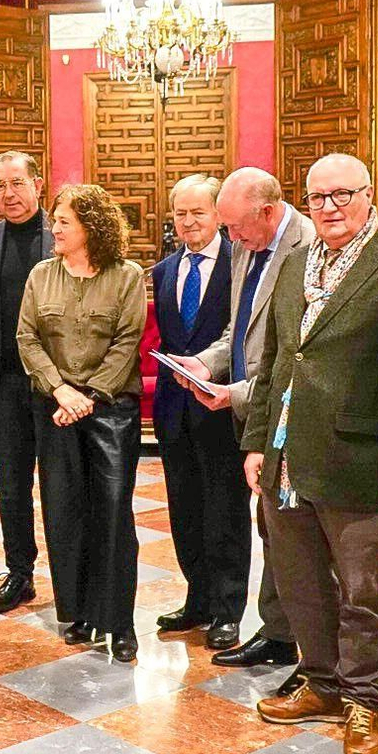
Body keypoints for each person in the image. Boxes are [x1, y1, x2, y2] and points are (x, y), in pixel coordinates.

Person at [240, 153, 378, 754]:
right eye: (318, 197)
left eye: (342, 195)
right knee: (298, 583)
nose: (329, 207)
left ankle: (364, 701)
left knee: (361, 591)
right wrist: (256, 442)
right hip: (289, 456)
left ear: (369, 195)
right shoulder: (293, 263)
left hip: (361, 456)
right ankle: (320, 682)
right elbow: (274, 362)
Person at [170, 167, 314, 676]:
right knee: (273, 528)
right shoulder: (246, 245)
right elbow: (240, 330)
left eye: (232, 226)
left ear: (268, 212)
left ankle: (308, 651)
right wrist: (205, 364)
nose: (227, 238)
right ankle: (277, 634)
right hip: (253, 407)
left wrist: (234, 394)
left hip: (293, 415)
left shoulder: (308, 245)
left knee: (300, 540)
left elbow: (299, 355)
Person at [16, 184, 147, 662]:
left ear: (91, 227)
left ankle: (121, 621)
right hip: (55, 408)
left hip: (110, 410)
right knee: (64, 513)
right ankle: (79, 614)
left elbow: (127, 341)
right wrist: (60, 390)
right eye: (55, 220)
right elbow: (26, 338)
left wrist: (88, 396)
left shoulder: (127, 276)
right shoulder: (40, 275)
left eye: (64, 221)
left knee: (112, 514)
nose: (55, 228)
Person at [149, 174, 250, 652]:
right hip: (174, 410)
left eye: (198, 213)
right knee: (184, 509)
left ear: (218, 215)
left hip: (222, 405)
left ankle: (228, 610)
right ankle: (197, 599)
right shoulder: (163, 271)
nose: (188, 222)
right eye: (180, 213)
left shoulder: (241, 263)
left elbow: (242, 336)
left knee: (225, 511)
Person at [0, 151, 55, 614]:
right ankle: (19, 572)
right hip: (4, 386)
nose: (8, 193)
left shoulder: (62, 238)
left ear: (38, 184)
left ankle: (72, 576)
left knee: (61, 487)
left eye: (17, 183)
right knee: (10, 487)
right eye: (0, 185)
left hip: (56, 388)